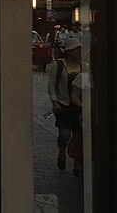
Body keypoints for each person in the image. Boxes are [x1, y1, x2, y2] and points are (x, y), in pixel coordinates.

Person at [47, 38, 83, 176]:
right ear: (68, 51)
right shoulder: (59, 65)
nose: (79, 52)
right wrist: (54, 101)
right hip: (64, 104)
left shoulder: (82, 65)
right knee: (64, 134)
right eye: (76, 49)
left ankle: (76, 163)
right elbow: (51, 85)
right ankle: (62, 151)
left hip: (78, 105)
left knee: (78, 135)